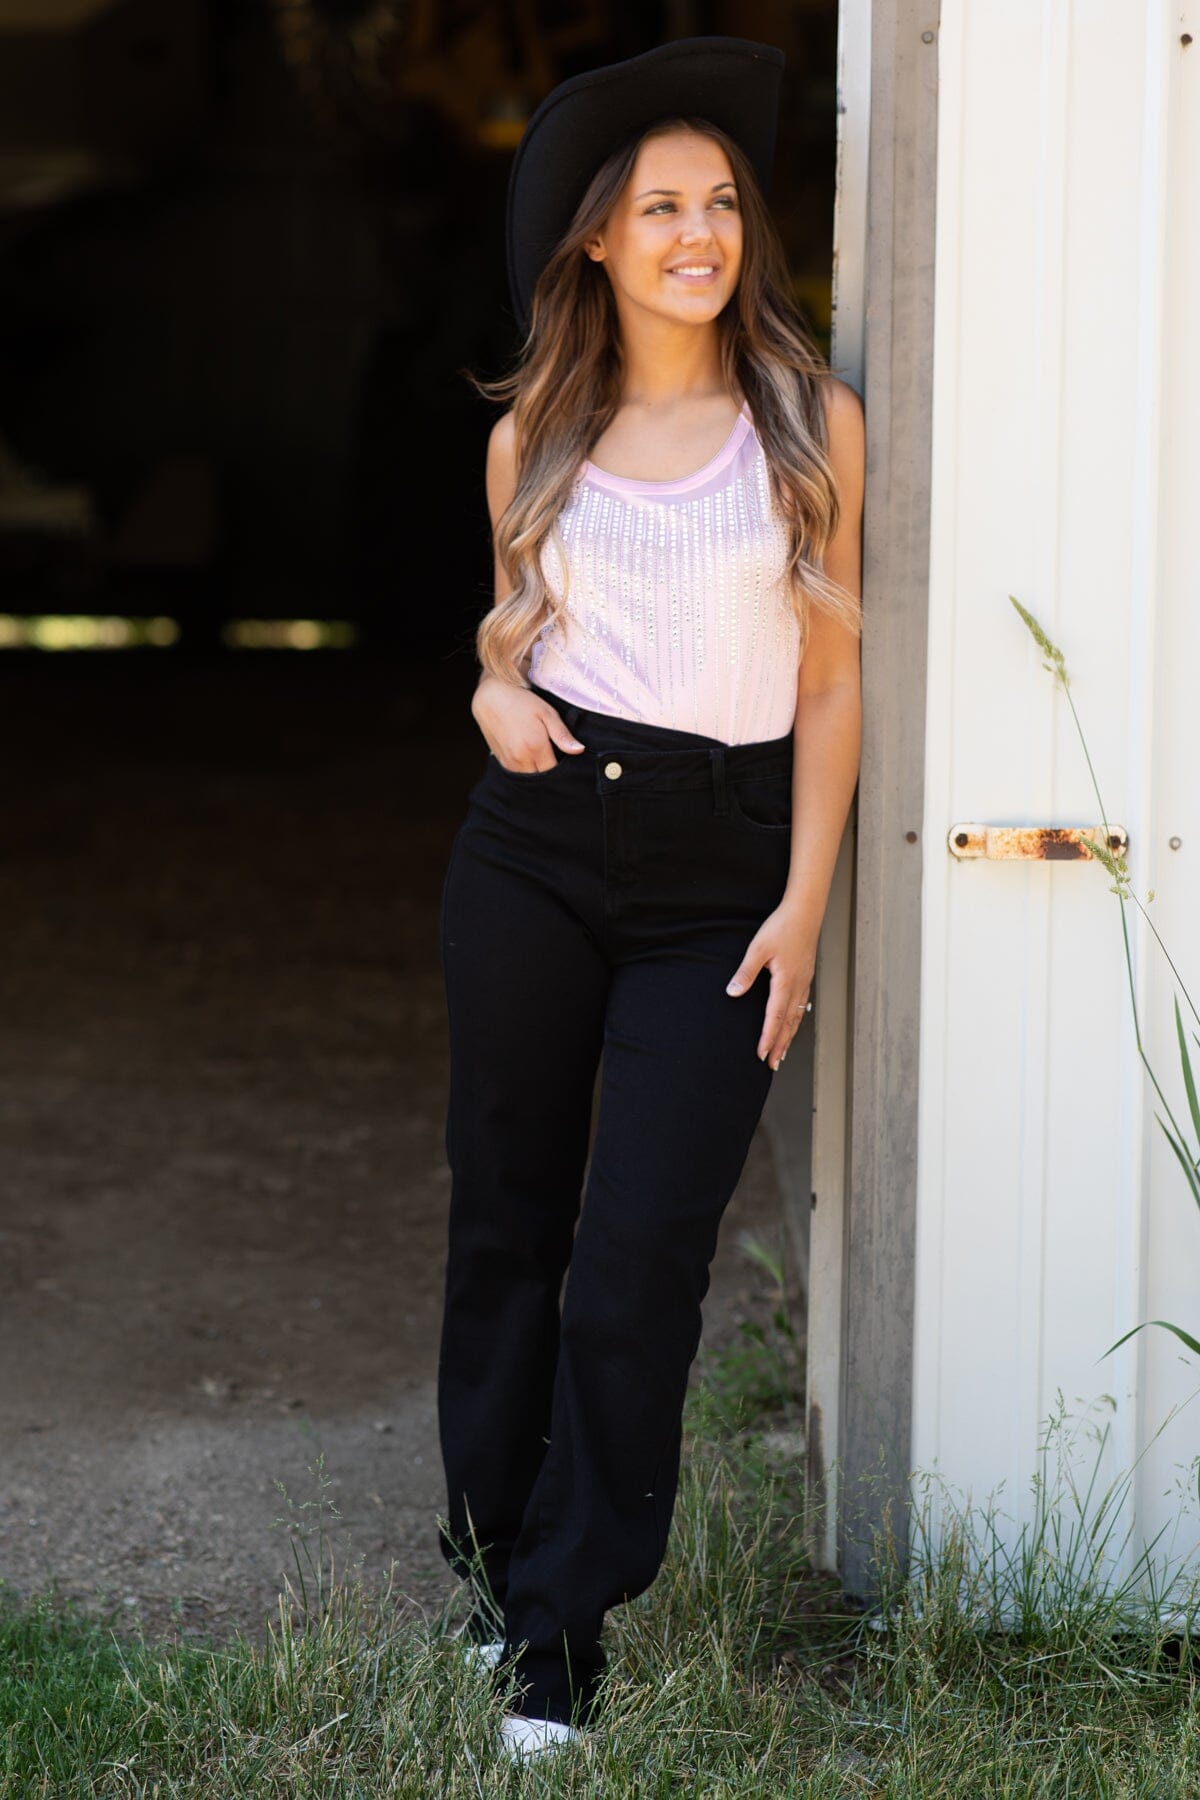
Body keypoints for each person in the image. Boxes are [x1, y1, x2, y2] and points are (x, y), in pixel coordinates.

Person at [435, 34, 865, 1765]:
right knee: (506, 1226)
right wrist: (488, 696)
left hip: (723, 877)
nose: (701, 232)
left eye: (721, 203)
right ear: (599, 242)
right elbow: (500, 650)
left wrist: (807, 905)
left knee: (636, 1267)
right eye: (661, 207)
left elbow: (833, 684)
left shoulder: (805, 421)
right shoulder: (536, 423)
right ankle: (497, 1577)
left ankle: (567, 1622)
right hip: (534, 851)